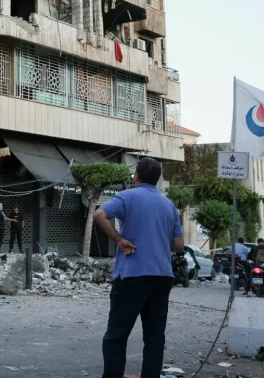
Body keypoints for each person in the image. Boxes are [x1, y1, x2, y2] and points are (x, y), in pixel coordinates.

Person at [93, 157, 184, 378]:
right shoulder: (168, 205)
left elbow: (99, 215)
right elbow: (179, 245)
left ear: (136, 176)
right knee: (154, 338)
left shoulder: (127, 197)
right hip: (162, 277)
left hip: (133, 276)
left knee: (116, 336)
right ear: (158, 179)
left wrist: (119, 239)